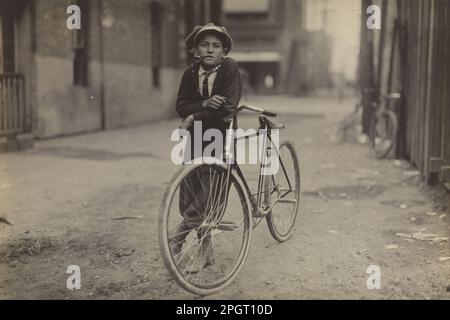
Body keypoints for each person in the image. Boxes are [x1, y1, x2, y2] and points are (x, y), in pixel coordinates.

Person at [170, 23, 242, 273]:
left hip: (220, 138)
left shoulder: (230, 68)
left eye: (216, 46)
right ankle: (206, 250)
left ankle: (178, 238)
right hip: (195, 139)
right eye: (204, 45)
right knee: (192, 190)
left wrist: (193, 117)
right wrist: (205, 103)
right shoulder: (190, 74)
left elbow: (227, 110)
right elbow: (181, 106)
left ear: (224, 51)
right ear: (195, 50)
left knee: (210, 195)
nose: (210, 50)